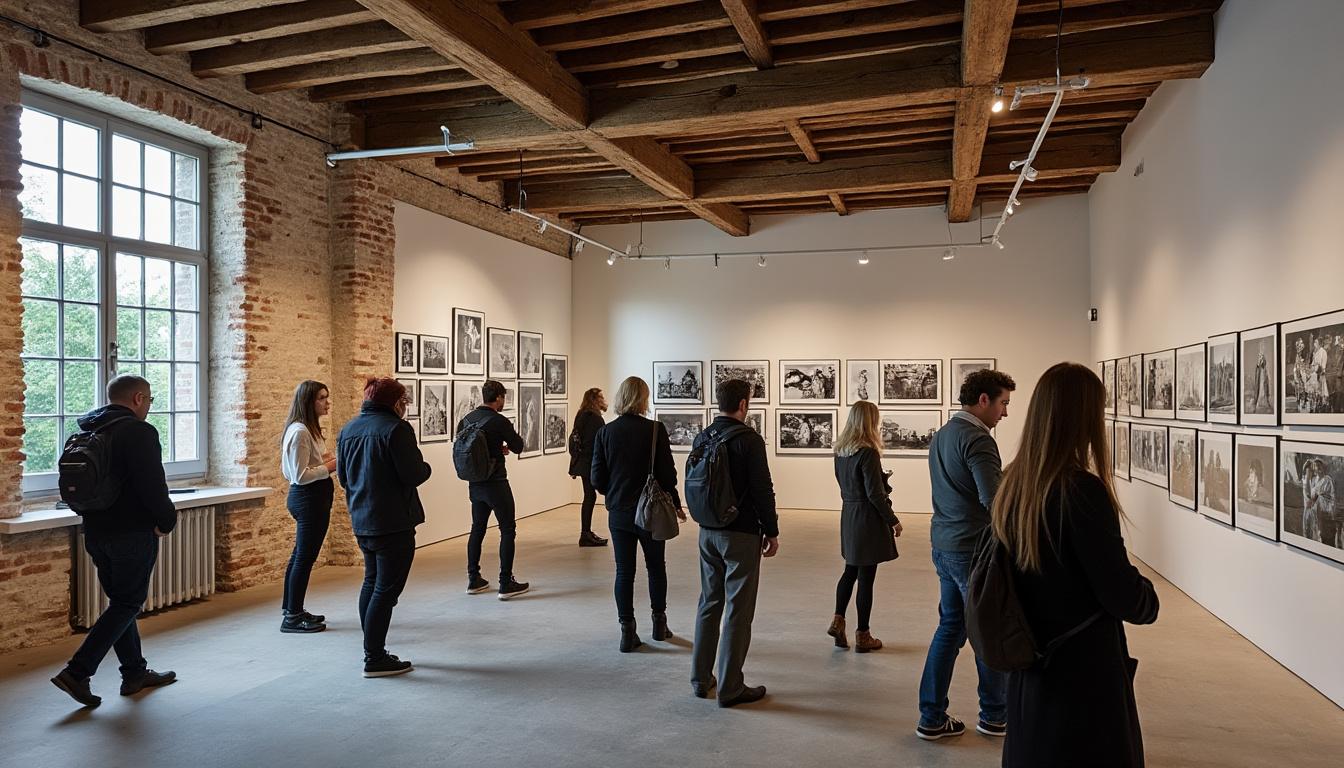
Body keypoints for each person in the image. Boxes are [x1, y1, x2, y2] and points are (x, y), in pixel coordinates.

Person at [991, 362, 1160, 767]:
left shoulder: (1014, 482)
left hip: (1032, 670)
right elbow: (1120, 593)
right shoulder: (1081, 490)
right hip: (1081, 676)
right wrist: (1147, 597)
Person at [51, 375, 178, 707]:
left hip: (95, 531)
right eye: (149, 401)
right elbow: (153, 485)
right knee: (127, 603)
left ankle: (134, 672)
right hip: (133, 532)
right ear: (138, 398)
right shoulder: (138, 432)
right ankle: (78, 672)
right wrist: (167, 521)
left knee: (122, 601)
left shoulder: (89, 430)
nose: (149, 408)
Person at [916, 368, 1016, 740]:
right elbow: (993, 501)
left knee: (950, 628)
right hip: (973, 550)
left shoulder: (943, 434)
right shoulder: (978, 439)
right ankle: (994, 714)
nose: (1005, 413)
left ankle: (931, 716)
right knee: (987, 630)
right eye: (1003, 404)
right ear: (984, 400)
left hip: (943, 544)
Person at [690, 378, 779, 708]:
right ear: (743, 404)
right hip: (740, 534)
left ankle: (701, 679)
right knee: (739, 611)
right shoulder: (748, 440)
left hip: (707, 532)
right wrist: (771, 530)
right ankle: (730, 686)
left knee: (709, 603)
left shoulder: (703, 436)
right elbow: (762, 489)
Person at [337, 377, 431, 678]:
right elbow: (414, 474)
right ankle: (374, 657)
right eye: (404, 401)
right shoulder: (396, 429)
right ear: (395, 402)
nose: (406, 407)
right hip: (393, 521)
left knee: (372, 582)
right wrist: (426, 467)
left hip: (363, 519)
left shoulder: (348, 429)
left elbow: (343, 477)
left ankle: (372, 646)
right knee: (386, 591)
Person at [590, 377, 683, 651]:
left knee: (624, 572)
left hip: (619, 513)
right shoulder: (655, 430)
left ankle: (627, 632)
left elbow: (596, 478)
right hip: (651, 511)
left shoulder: (605, 433)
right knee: (656, 568)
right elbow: (668, 475)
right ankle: (659, 625)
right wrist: (676, 504)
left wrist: (616, 493)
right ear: (643, 398)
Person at [829, 401, 902, 652]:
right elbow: (875, 495)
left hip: (849, 515)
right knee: (866, 578)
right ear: (870, 421)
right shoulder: (868, 452)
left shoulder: (840, 452)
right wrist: (893, 519)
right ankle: (863, 635)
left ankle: (838, 620)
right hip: (867, 519)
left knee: (850, 570)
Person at [459, 380, 530, 599]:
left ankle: (473, 579)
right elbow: (518, 446)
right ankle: (505, 583)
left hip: (475, 484)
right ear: (498, 397)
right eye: (503, 397)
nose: (503, 401)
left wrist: (494, 447)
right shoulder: (498, 421)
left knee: (477, 528)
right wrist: (502, 447)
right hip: (496, 483)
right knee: (508, 530)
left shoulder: (466, 419)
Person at [279, 380, 338, 634]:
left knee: (300, 556)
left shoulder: (308, 430)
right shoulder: (300, 431)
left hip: (314, 498)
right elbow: (299, 475)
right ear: (308, 402)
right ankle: (292, 616)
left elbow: (309, 462)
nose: (327, 402)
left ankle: (293, 608)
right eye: (322, 398)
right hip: (308, 498)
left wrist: (327, 459)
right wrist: (331, 466)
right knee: (304, 557)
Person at [570, 388, 610, 547]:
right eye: (601, 397)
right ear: (595, 399)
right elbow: (598, 444)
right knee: (591, 496)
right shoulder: (595, 419)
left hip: (581, 462)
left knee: (589, 495)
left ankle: (586, 533)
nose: (603, 400)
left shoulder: (582, 414)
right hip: (590, 462)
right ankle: (585, 534)